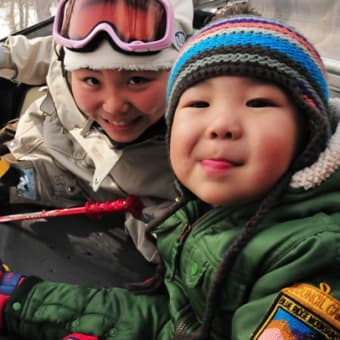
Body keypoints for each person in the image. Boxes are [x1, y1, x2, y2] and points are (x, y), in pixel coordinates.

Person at [1, 13, 340, 340]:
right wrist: (26, 299)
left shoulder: (314, 259)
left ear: (310, 128)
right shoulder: (196, 209)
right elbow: (179, 324)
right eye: (198, 104)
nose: (220, 125)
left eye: (258, 103)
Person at [0, 0, 193, 263]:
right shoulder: (65, 53)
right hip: (29, 148)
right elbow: (44, 53)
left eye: (137, 79)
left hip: (69, 195)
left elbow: (169, 239)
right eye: (92, 80)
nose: (114, 107)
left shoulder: (190, 153)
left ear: (179, 74)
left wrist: (160, 238)